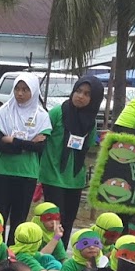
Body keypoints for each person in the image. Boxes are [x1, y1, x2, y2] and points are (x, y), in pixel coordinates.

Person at [41, 75, 104, 246]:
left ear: (94, 99)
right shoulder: (57, 112)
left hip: (75, 180)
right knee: (53, 222)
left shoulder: (90, 121)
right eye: (78, 91)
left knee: (68, 223)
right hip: (53, 176)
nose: (80, 96)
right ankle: (48, 257)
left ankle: (60, 259)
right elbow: (42, 138)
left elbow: (89, 144)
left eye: (87, 94)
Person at [0, 72, 49, 239]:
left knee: (19, 221)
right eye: (17, 89)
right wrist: (26, 144)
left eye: (25, 90)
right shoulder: (3, 112)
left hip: (27, 175)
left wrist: (12, 140)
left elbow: (41, 147)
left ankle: (13, 257)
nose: (20, 94)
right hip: (2, 172)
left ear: (34, 91)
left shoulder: (41, 116)